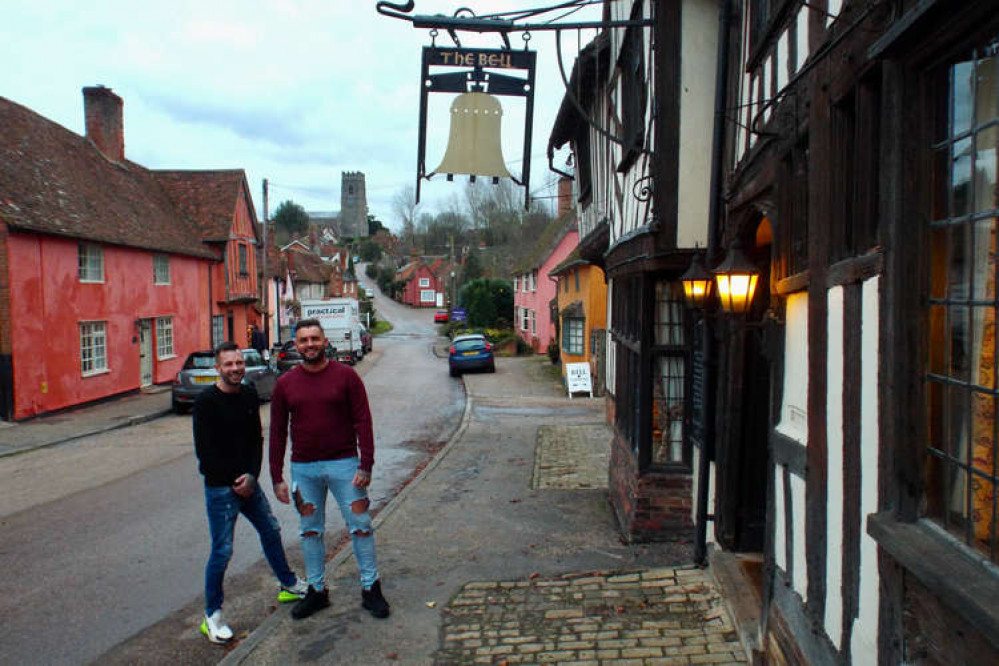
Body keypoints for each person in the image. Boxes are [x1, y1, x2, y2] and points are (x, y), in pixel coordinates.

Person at [269, 318, 390, 620]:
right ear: (296, 345)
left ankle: (370, 587)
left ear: (325, 341)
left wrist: (366, 463)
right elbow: (277, 431)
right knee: (310, 531)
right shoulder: (285, 385)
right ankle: (317, 591)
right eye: (303, 340)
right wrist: (276, 477)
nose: (309, 344)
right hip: (304, 470)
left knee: (361, 526)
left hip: (345, 466)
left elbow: (363, 420)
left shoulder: (347, 377)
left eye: (314, 339)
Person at [193, 341, 308, 643]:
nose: (235, 369)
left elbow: (255, 440)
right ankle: (212, 616)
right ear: (218, 368)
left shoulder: (247, 394)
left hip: (249, 483)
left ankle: (288, 584)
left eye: (238, 363)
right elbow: (206, 453)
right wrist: (237, 480)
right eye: (228, 364)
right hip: (221, 488)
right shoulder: (206, 403)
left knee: (271, 530)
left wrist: (252, 476)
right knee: (223, 551)